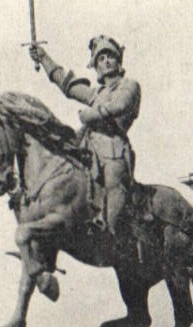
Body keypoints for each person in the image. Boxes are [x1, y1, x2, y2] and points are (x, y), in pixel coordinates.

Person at [29, 35, 141, 238]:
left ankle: (114, 236)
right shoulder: (96, 94)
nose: (106, 61)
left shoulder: (129, 85)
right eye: (100, 58)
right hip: (88, 147)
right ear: (96, 66)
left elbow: (121, 105)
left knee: (115, 180)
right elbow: (68, 86)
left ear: (118, 61)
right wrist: (44, 58)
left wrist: (91, 115)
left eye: (110, 57)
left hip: (113, 150)